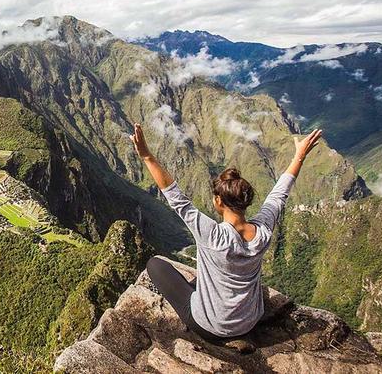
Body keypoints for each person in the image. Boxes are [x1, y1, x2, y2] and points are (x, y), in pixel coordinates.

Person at [130, 123, 323, 344]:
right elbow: (278, 196)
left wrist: (146, 156)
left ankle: (223, 341)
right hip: (249, 322)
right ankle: (242, 336)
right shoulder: (263, 231)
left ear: (219, 202)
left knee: (155, 265)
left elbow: (176, 197)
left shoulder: (211, 235)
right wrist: (299, 156)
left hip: (212, 327)